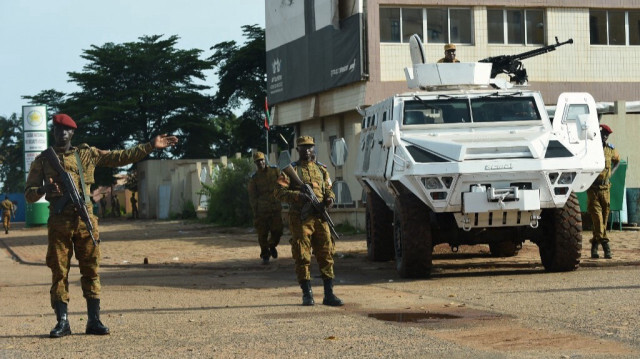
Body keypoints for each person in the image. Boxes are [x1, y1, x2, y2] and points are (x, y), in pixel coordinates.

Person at [24, 113, 178, 338]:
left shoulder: (86, 154)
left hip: (85, 222)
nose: (62, 134)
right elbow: (28, 194)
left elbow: (120, 157)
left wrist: (150, 146)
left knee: (91, 270)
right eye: (58, 130)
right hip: (59, 223)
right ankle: (63, 321)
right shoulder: (43, 160)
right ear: (53, 132)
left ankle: (94, 320)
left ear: (73, 133)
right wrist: (44, 191)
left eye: (66, 130)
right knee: (59, 271)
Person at [275, 136, 343, 307]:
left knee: (326, 254)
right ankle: (307, 294)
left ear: (314, 149)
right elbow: (278, 192)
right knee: (302, 255)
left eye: (310, 147)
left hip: (320, 217)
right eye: (303, 147)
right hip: (301, 219)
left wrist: (329, 200)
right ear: (297, 149)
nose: (307, 150)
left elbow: (329, 189)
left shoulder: (322, 170)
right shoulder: (291, 170)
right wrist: (299, 196)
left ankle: (329, 295)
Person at [587, 124, 620, 259]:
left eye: (607, 135)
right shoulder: (591, 148)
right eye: (603, 134)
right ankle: (606, 245)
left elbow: (617, 161)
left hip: (606, 189)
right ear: (599, 134)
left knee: (604, 220)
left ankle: (594, 247)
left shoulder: (610, 149)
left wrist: (611, 172)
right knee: (597, 217)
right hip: (593, 189)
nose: (605, 136)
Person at [248, 151, 283, 264]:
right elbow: (252, 196)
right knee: (262, 234)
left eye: (262, 160)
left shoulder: (275, 171)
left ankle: (272, 245)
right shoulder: (254, 178)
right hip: (262, 210)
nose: (260, 163)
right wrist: (255, 211)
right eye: (258, 161)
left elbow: (283, 183)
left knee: (278, 231)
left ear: (265, 160)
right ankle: (265, 255)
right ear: (255, 163)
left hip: (275, 208)